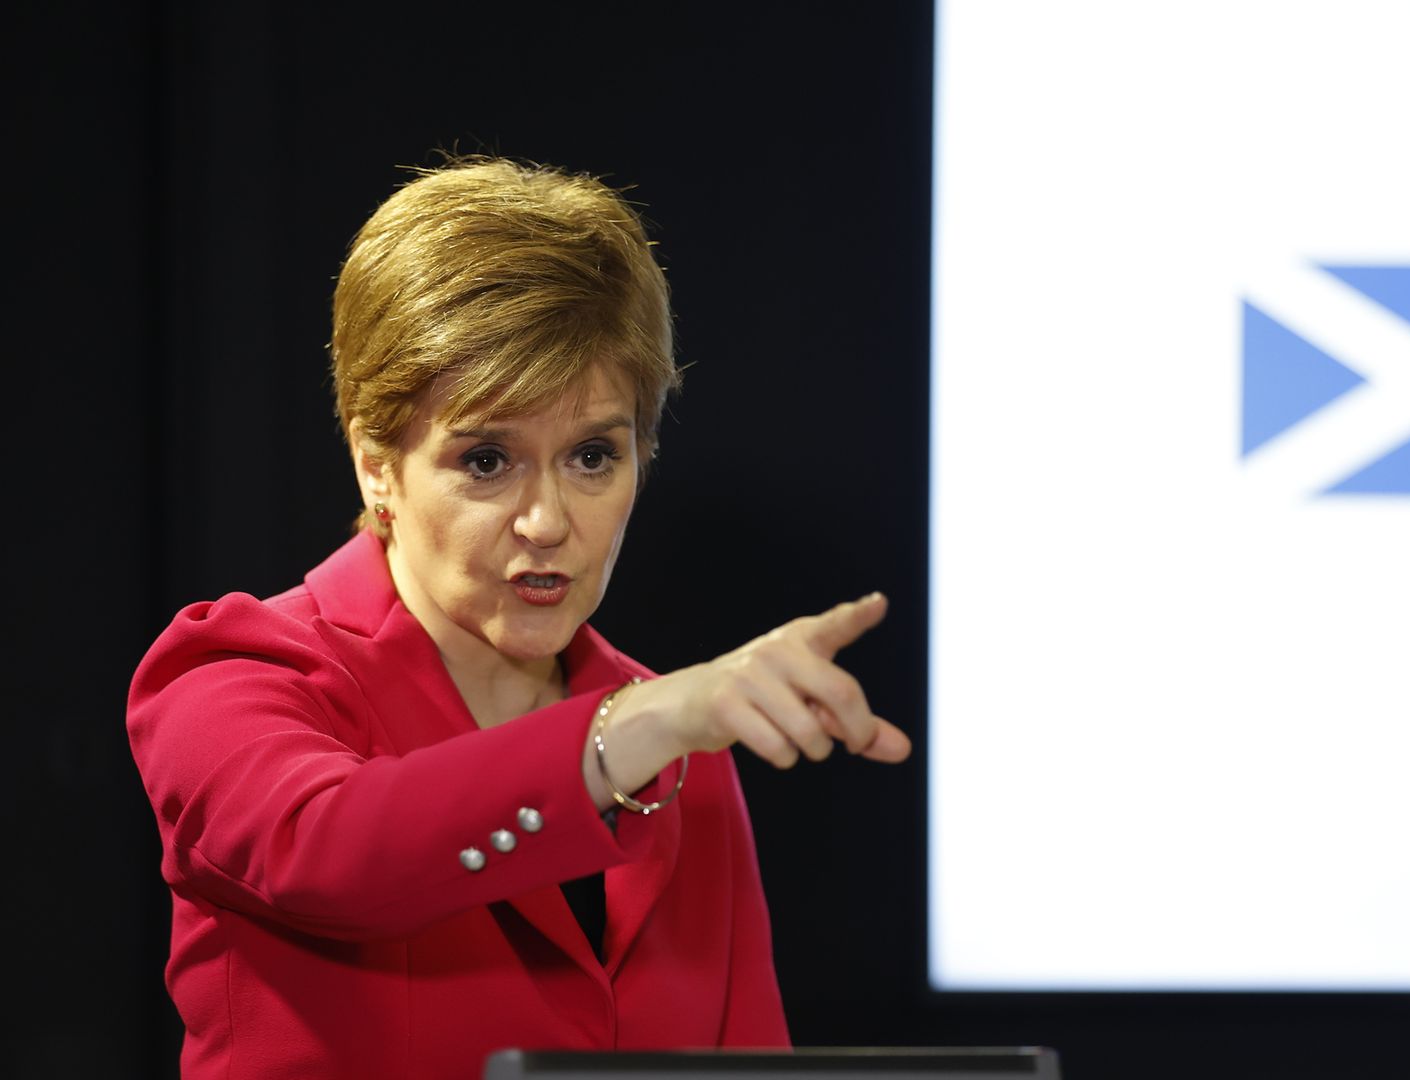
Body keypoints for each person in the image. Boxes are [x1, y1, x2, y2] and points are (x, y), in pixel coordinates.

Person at [126, 157, 911, 1080]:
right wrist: (638, 726)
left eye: (591, 457)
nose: (547, 523)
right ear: (376, 461)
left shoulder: (679, 739)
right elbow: (331, 853)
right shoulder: (232, 673)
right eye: (488, 461)